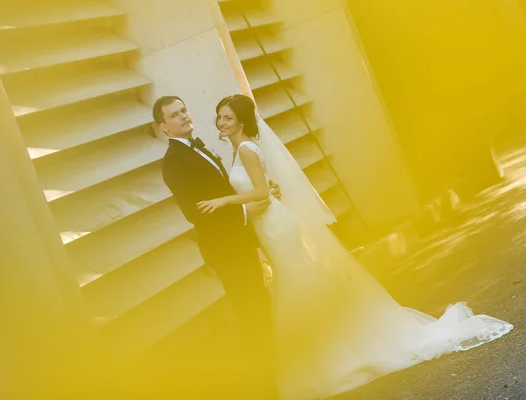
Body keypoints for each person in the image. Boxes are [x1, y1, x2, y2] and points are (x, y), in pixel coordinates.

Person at [198, 94, 514, 399]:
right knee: (295, 280)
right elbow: (266, 189)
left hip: (276, 226)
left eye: (228, 117)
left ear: (242, 121)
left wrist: (224, 200)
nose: (221, 122)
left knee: (298, 280)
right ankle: (322, 347)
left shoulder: (248, 150)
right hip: (268, 225)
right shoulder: (240, 149)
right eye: (220, 117)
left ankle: (332, 351)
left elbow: (262, 193)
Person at [153, 96, 280, 399]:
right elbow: (195, 212)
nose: (183, 116)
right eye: (174, 114)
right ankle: (266, 386)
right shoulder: (174, 162)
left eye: (185, 110)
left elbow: (224, 192)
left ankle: (271, 371)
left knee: (258, 305)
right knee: (251, 310)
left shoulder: (200, 147)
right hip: (225, 248)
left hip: (238, 239)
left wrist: (259, 194)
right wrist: (248, 212)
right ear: (163, 127)